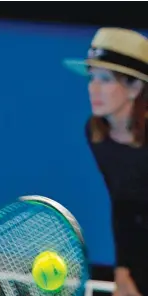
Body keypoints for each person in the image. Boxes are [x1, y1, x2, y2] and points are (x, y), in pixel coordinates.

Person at [64, 27, 148, 296]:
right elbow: (123, 205)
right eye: (92, 78)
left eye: (105, 79)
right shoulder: (97, 134)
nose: (94, 89)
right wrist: (123, 274)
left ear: (135, 87)